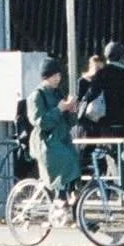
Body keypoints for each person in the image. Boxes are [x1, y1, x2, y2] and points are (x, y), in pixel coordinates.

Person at [27, 59, 81, 198]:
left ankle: (73, 205)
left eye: (59, 75)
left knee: (75, 162)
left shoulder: (58, 93)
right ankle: (61, 199)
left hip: (61, 139)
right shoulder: (37, 95)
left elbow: (69, 122)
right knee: (67, 161)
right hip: (46, 143)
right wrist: (59, 109)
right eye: (54, 75)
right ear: (46, 76)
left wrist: (72, 111)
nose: (58, 78)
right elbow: (40, 122)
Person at [85, 41, 124, 137]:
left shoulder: (101, 73)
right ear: (122, 56)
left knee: (108, 149)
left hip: (104, 120)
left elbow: (91, 95)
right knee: (123, 150)